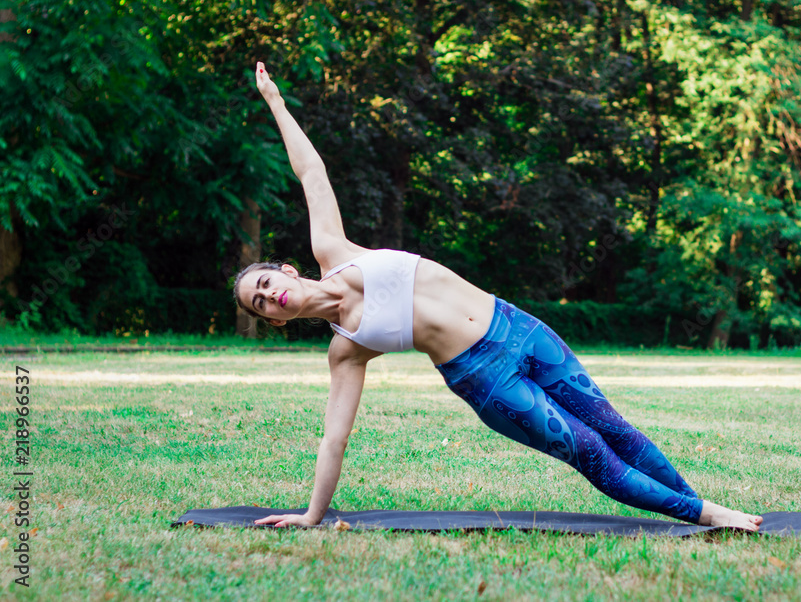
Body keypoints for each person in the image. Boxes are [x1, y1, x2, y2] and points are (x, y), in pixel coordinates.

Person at [235, 62, 763, 532]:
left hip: (518, 328)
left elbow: (311, 172)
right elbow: (334, 440)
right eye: (259, 304)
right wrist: (312, 514)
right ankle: (710, 515)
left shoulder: (333, 248)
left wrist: (276, 103)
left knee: (615, 429)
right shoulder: (346, 349)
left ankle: (700, 509)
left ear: (285, 272)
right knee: (591, 452)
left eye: (264, 284)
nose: (269, 297)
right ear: (274, 321)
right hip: (487, 381)